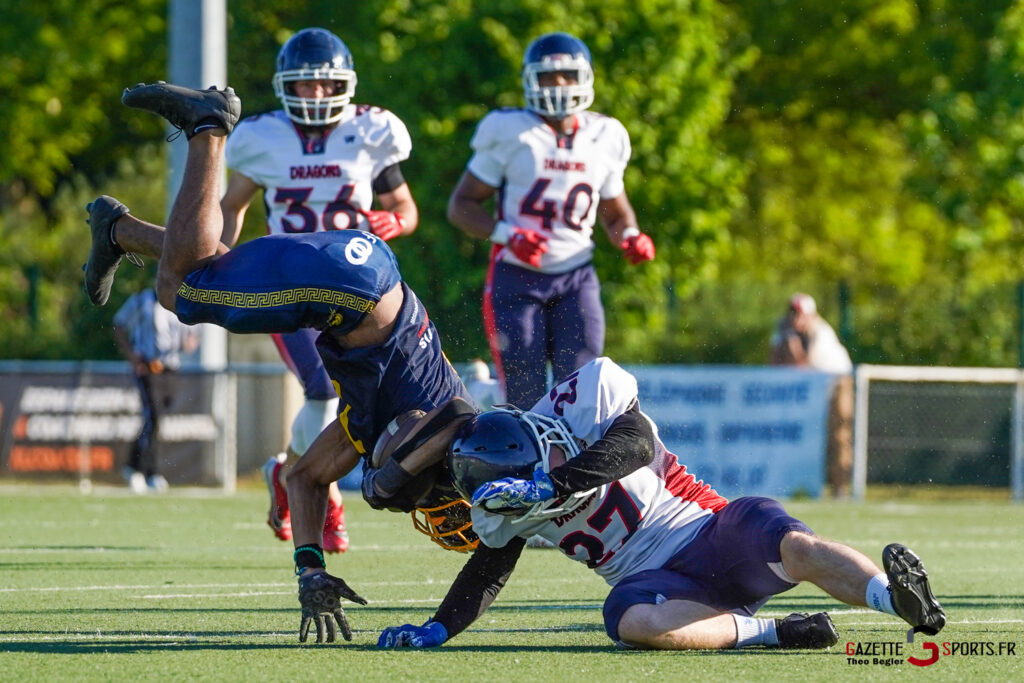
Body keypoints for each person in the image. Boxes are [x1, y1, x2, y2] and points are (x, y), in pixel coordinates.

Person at [82, 80, 474, 642]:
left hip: (358, 276)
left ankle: (116, 231)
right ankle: (207, 128)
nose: (427, 512)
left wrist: (309, 566)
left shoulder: (375, 425)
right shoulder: (446, 427)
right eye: (441, 513)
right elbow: (433, 433)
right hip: (351, 295)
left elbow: (304, 477)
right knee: (181, 291)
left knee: (211, 268)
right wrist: (394, 486)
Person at [376, 357, 946, 651]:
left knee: (796, 546)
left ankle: (894, 600)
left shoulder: (580, 402)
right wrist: (437, 628)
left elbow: (636, 442)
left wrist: (552, 486)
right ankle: (775, 632)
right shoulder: (499, 504)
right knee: (629, 622)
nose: (539, 476)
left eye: (540, 466)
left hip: (709, 528)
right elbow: (488, 571)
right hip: (655, 581)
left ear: (541, 432)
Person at [220, 27, 420, 554]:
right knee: (322, 388)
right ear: (285, 86)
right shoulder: (263, 136)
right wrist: (216, 256)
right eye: (302, 86)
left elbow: (406, 209)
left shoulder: (371, 131)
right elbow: (231, 207)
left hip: (354, 283)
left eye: (323, 85)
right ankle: (321, 489)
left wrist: (393, 223)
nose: (312, 95)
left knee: (343, 395)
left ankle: (288, 469)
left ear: (343, 85)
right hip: (286, 280)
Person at [446, 32, 655, 410]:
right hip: (517, 276)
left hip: (576, 276)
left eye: (567, 77)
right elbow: (462, 205)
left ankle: (565, 467)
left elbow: (615, 213)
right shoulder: (511, 131)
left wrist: (631, 235)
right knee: (524, 399)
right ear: (530, 80)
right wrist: (507, 234)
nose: (558, 86)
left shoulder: (604, 135)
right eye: (548, 77)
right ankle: (488, 395)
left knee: (579, 393)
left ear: (585, 79)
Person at [113, 287, 200, 493]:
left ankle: (132, 466)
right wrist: (132, 356)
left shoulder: (180, 301)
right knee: (153, 416)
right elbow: (119, 325)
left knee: (156, 419)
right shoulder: (141, 300)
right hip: (148, 367)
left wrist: (190, 342)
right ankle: (148, 472)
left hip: (170, 369)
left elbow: (193, 335)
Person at [770, 292, 855, 497]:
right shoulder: (784, 328)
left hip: (837, 382)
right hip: (812, 388)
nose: (795, 317)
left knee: (839, 434)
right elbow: (773, 361)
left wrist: (792, 344)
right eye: (792, 312)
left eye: (799, 313)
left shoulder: (820, 332)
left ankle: (839, 487)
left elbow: (804, 366)